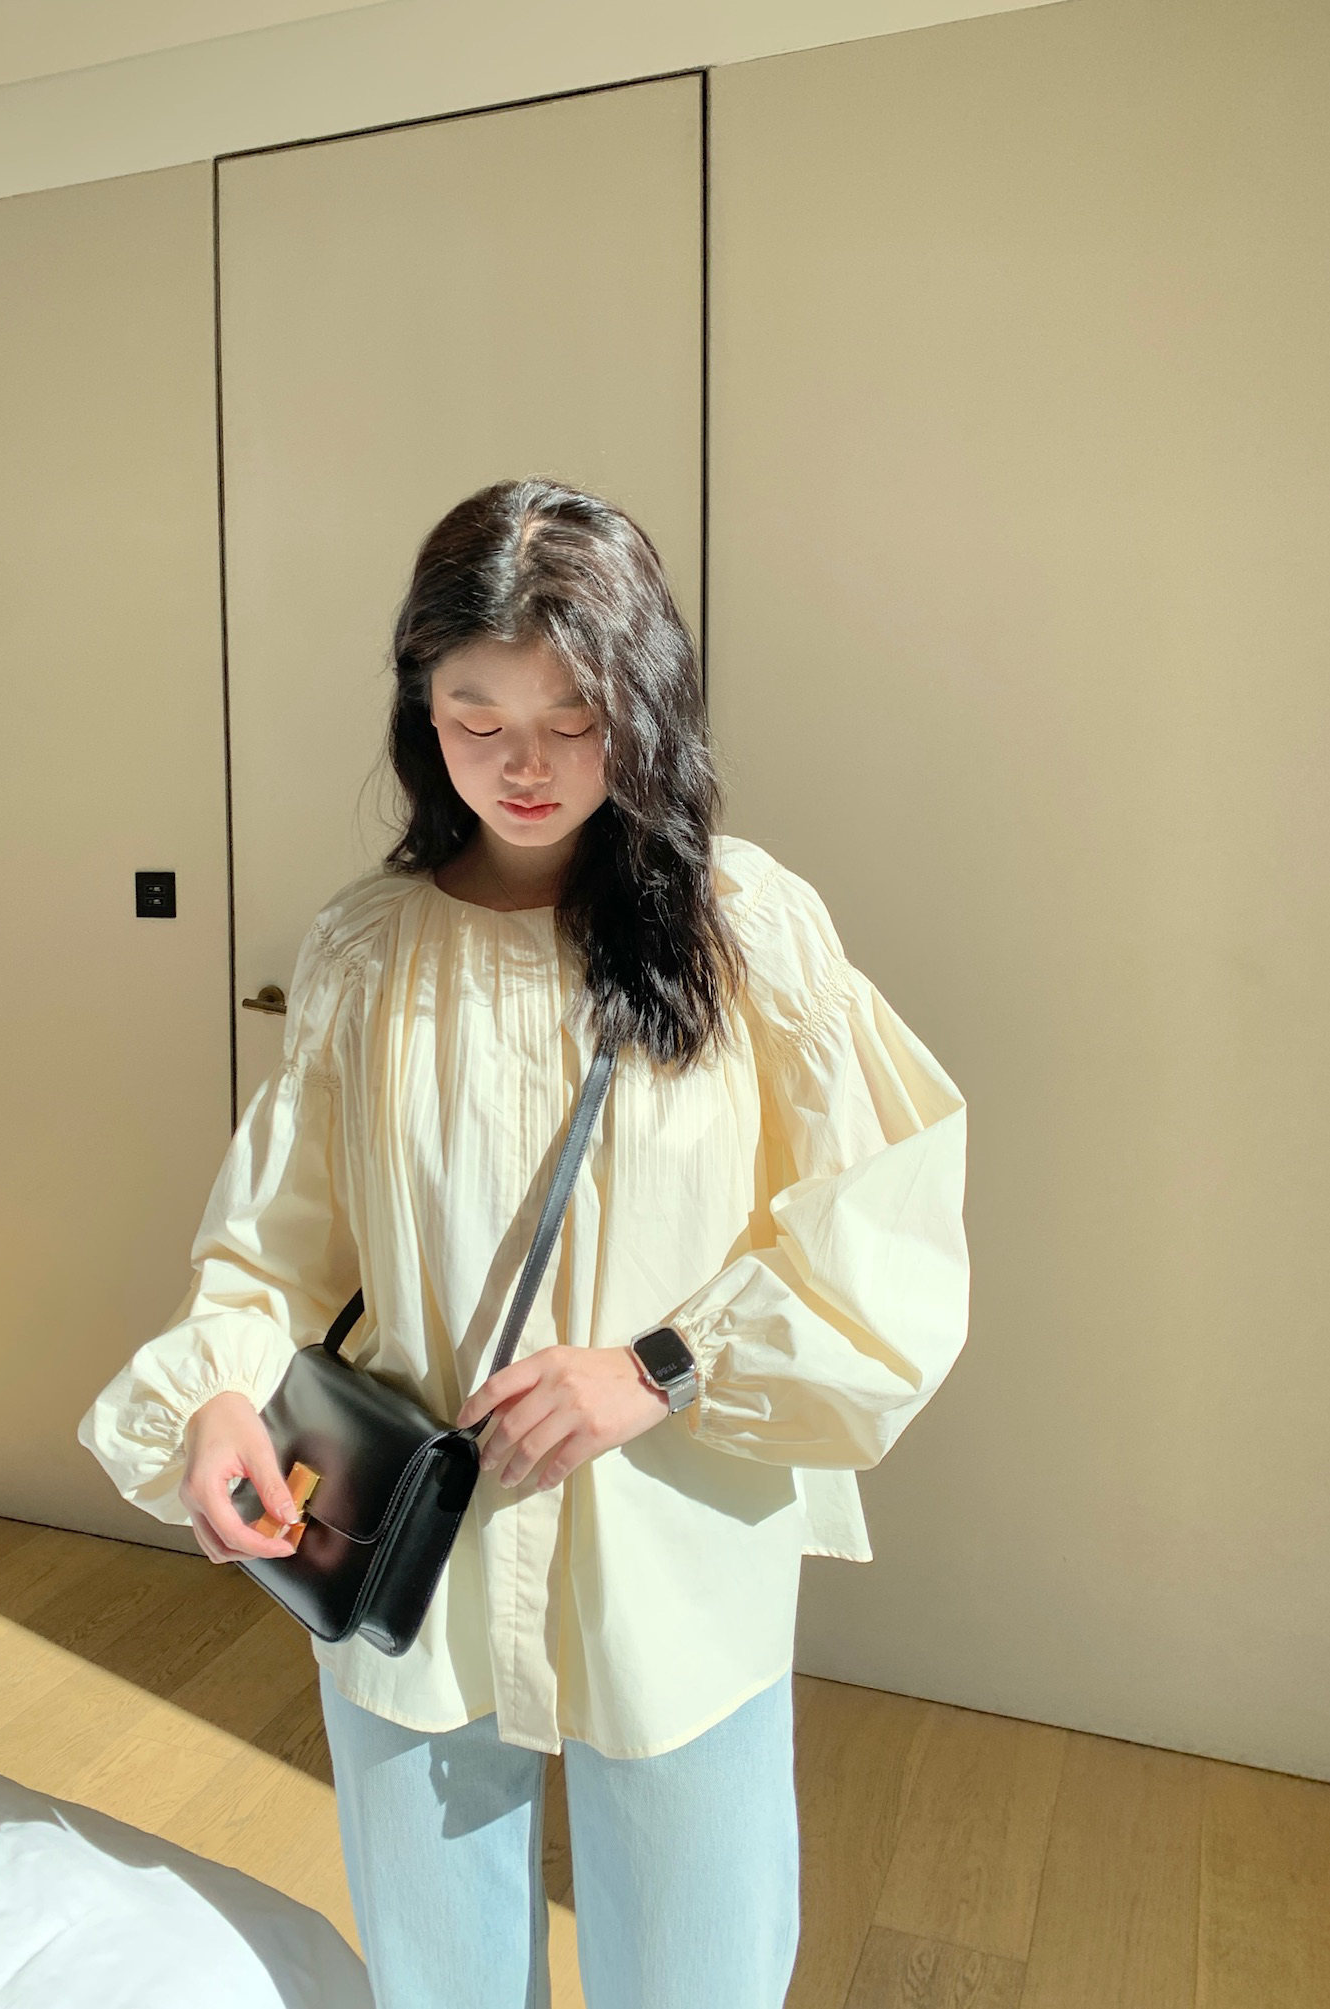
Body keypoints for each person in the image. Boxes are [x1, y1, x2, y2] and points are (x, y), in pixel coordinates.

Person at [78, 477, 971, 2009]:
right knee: (439, 1980)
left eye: (572, 716)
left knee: (694, 1974)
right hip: (416, 1544)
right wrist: (216, 1393)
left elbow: (883, 1218)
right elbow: (272, 1250)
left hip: (673, 1549)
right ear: (419, 712)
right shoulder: (365, 947)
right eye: (473, 715)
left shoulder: (744, 926)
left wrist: (658, 1365)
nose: (523, 763)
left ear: (645, 702)